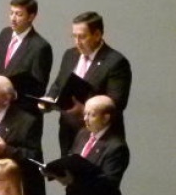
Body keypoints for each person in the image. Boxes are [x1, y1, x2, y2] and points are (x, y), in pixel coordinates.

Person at [42, 11, 132, 155]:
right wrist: (48, 99)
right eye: (74, 36)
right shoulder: (70, 55)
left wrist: (83, 110)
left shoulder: (115, 62)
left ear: (97, 35)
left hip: (98, 136)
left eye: (82, 36)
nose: (77, 41)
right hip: (69, 131)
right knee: (67, 174)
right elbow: (59, 84)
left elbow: (117, 103)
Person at [0, 0, 53, 117]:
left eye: (19, 14)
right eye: (11, 13)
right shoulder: (5, 34)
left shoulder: (40, 47)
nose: (13, 18)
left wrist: (11, 92)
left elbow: (38, 88)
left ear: (31, 17)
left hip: (21, 111)